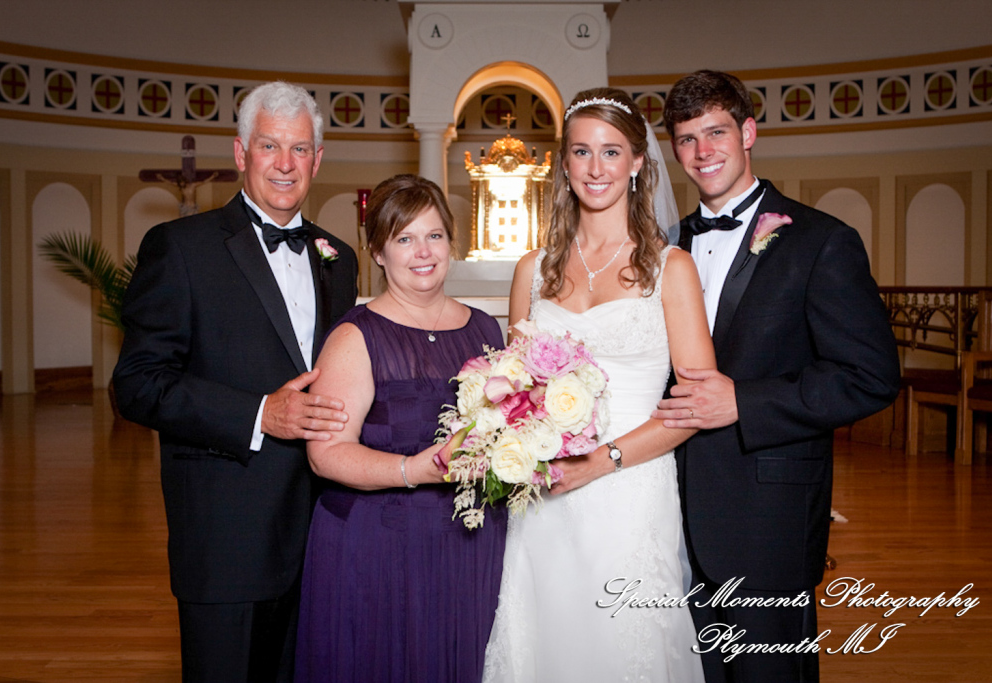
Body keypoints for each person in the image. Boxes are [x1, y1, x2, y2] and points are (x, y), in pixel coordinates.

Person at [657, 70, 901, 683]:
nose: (702, 152)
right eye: (687, 139)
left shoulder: (822, 242)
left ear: (748, 132)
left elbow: (871, 375)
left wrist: (746, 401)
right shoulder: (664, 246)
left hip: (768, 511)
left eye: (716, 133)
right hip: (667, 507)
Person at [112, 81, 358, 683]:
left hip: (321, 538)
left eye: (300, 149)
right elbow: (137, 384)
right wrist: (258, 415)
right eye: (269, 145)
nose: (284, 163)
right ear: (240, 152)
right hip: (226, 538)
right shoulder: (181, 247)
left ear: (318, 160)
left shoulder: (339, 257)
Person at [483, 88, 712, 682]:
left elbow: (695, 406)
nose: (595, 168)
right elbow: (512, 390)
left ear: (638, 162)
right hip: (545, 497)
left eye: (611, 152)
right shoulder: (533, 271)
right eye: (581, 152)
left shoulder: (671, 268)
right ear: (564, 163)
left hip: (630, 490)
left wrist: (603, 460)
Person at [294, 174, 507, 683]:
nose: (423, 252)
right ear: (378, 252)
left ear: (451, 243)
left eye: (434, 235)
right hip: (378, 548)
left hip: (470, 542)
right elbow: (325, 454)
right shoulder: (354, 336)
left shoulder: (485, 328)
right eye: (404, 238)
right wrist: (418, 469)